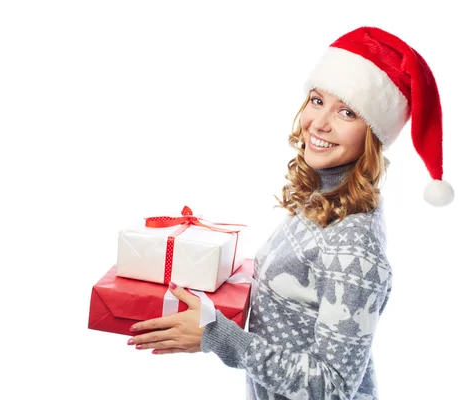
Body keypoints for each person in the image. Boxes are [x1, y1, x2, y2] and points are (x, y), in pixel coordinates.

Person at [126, 26, 454, 399]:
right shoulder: (324, 196)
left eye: (347, 112)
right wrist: (204, 267)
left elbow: (333, 387)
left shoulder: (354, 245)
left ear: (374, 133)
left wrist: (218, 337)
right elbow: (294, 289)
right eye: (317, 101)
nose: (320, 123)